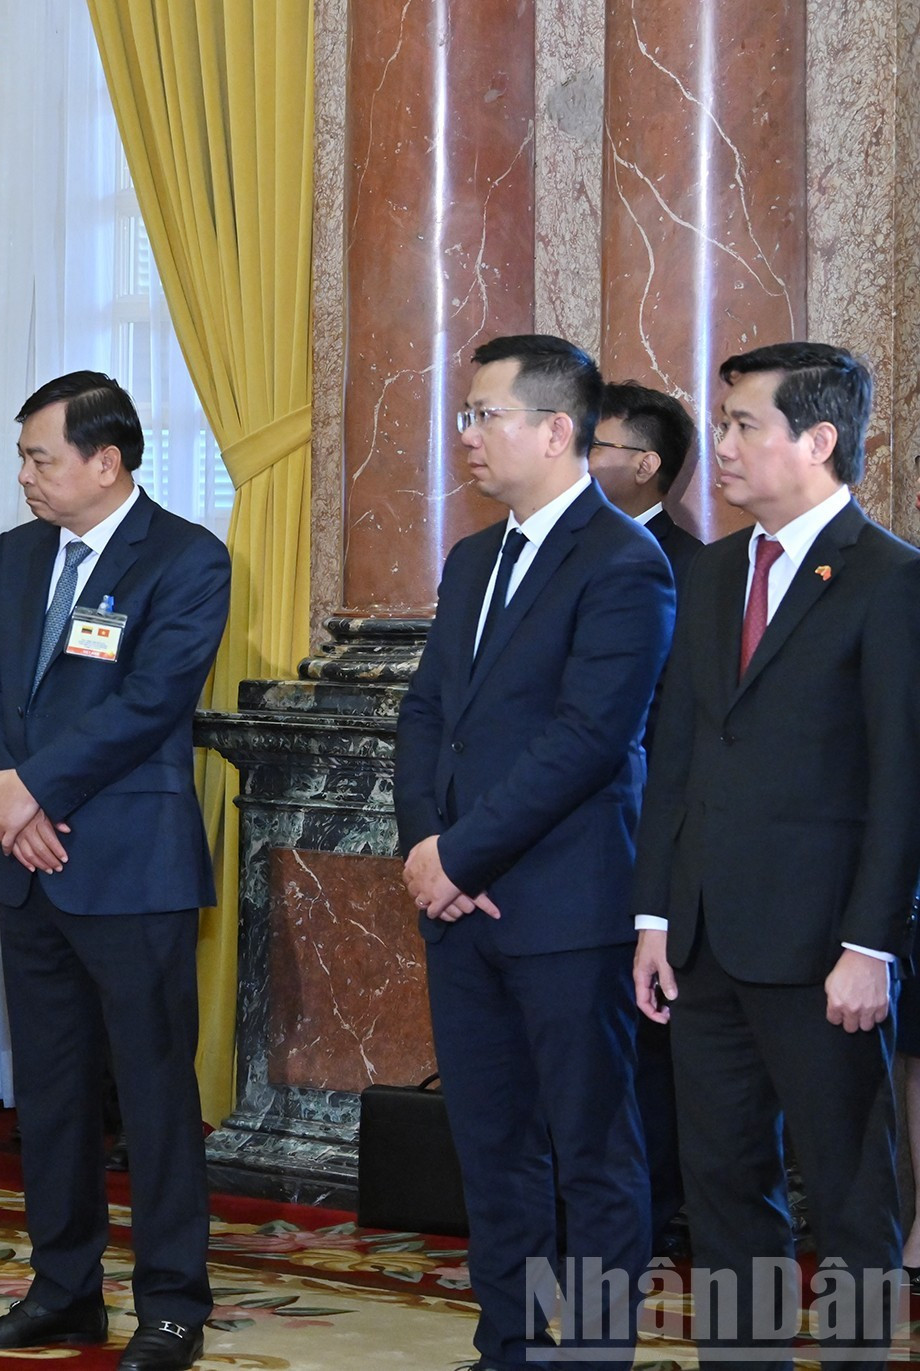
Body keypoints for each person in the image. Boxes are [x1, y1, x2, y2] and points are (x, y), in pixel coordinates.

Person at [630, 342, 920, 1366]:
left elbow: (903, 783)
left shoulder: (890, 580)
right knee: (723, 1185)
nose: (721, 445)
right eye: (721, 424)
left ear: (819, 439)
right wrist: (656, 916)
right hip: (703, 943)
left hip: (824, 952)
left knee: (849, 1190)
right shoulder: (713, 572)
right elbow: (676, 757)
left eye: (743, 424)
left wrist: (871, 946)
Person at [394, 335, 674, 1371]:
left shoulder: (623, 562)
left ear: (558, 431)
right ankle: (506, 1343)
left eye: (485, 414)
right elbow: (428, 716)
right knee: (491, 1144)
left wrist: (461, 857)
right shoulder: (473, 559)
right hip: (459, 905)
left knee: (593, 1150)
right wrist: (425, 847)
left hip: (566, 906)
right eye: (464, 414)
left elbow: (587, 740)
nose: (466, 434)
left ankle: (597, 1352)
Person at [0, 372, 229, 1371]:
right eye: (23, 458)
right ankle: (63, 1290)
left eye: (41, 457)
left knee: (153, 1099)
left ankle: (171, 1305)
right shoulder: (18, 554)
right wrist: (7, 794)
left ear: (105, 461)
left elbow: (151, 701)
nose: (25, 475)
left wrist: (33, 790)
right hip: (30, 866)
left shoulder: (187, 556)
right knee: (51, 1096)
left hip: (130, 868)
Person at [590, 377, 701, 1258]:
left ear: (644, 465)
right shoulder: (566, 553)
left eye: (598, 445)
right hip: (576, 849)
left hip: (653, 836)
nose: (582, 457)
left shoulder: (693, 567)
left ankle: (654, 1210)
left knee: (652, 1042)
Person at [590, 380, 704, 586]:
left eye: (591, 446)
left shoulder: (693, 566)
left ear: (644, 467)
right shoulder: (556, 541)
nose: (572, 457)